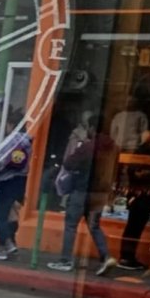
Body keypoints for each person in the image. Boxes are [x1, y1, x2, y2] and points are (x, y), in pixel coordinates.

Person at [48, 114, 118, 274]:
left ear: (92, 128)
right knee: (94, 226)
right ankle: (106, 257)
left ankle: (65, 260)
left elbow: (69, 163)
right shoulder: (113, 147)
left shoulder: (88, 147)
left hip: (82, 190)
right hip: (100, 193)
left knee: (71, 225)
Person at [0, 115, 32, 261]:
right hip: (21, 180)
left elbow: (0, 161)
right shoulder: (27, 140)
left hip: (8, 180)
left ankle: (3, 247)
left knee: (0, 213)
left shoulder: (10, 140)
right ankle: (11, 245)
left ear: (11, 124)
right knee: (11, 214)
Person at [118, 130, 150, 271]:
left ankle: (129, 256)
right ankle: (126, 257)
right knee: (134, 226)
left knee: (136, 227)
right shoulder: (143, 154)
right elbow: (135, 173)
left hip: (144, 195)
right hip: (140, 195)